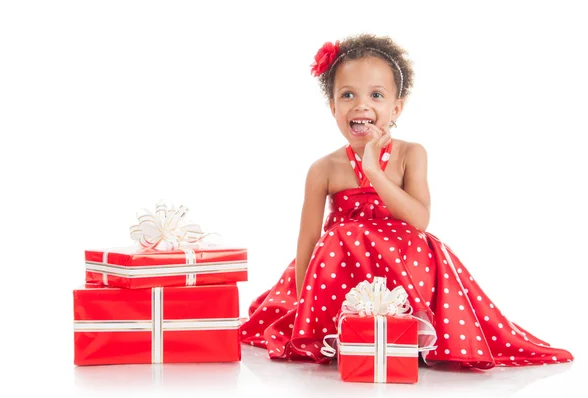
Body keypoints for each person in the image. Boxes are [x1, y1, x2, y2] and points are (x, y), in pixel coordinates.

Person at [239, 33, 573, 369]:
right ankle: (338, 327)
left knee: (418, 241)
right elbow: (308, 239)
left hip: (402, 263)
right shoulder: (323, 168)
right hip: (343, 266)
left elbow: (419, 219)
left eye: (376, 95)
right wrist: (302, 304)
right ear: (333, 107)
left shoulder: (411, 154)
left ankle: (407, 331)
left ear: (396, 108)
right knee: (343, 235)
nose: (361, 104)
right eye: (347, 95)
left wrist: (375, 171)